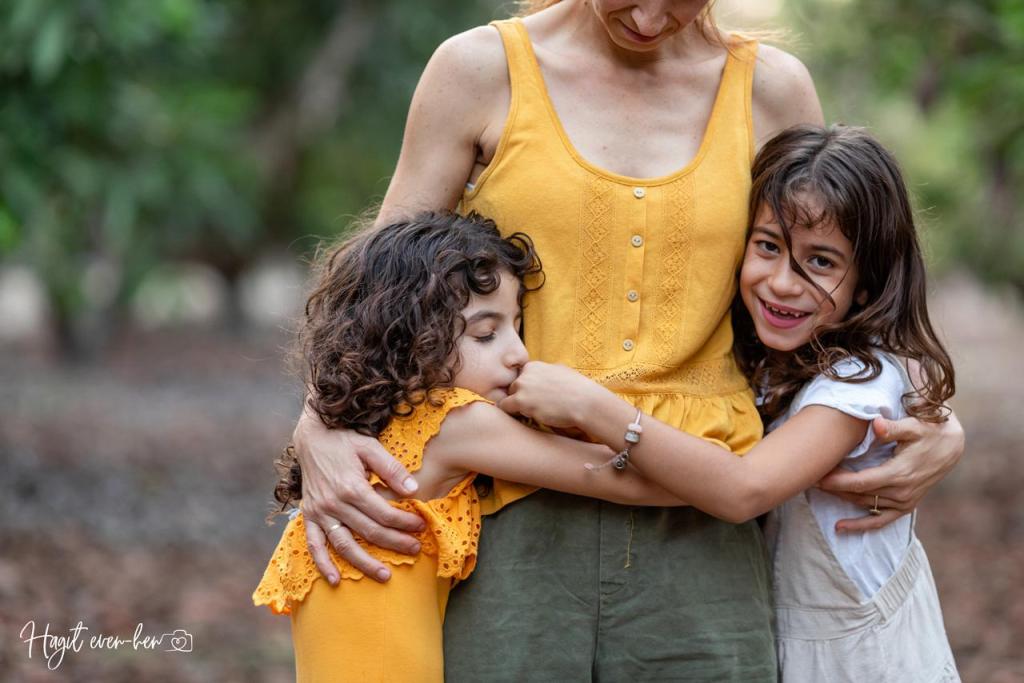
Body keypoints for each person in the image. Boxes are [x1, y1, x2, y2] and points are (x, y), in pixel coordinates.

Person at [290, 1, 965, 678]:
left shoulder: (771, 90)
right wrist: (316, 427)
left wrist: (930, 415)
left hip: (705, 525)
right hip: (506, 515)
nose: (647, 16)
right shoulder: (479, 71)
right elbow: (381, 290)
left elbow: (834, 274)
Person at [502, 124, 961, 681]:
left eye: (819, 262)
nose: (782, 283)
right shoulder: (772, 366)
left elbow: (745, 489)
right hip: (802, 640)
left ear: (867, 283)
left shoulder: (857, 386)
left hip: (863, 657)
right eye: (768, 247)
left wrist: (592, 408)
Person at [253, 211, 688, 682]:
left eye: (517, 327)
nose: (518, 352)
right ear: (411, 341)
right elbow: (619, 480)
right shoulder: (455, 420)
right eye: (486, 333)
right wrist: (706, 482)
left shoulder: (375, 413)